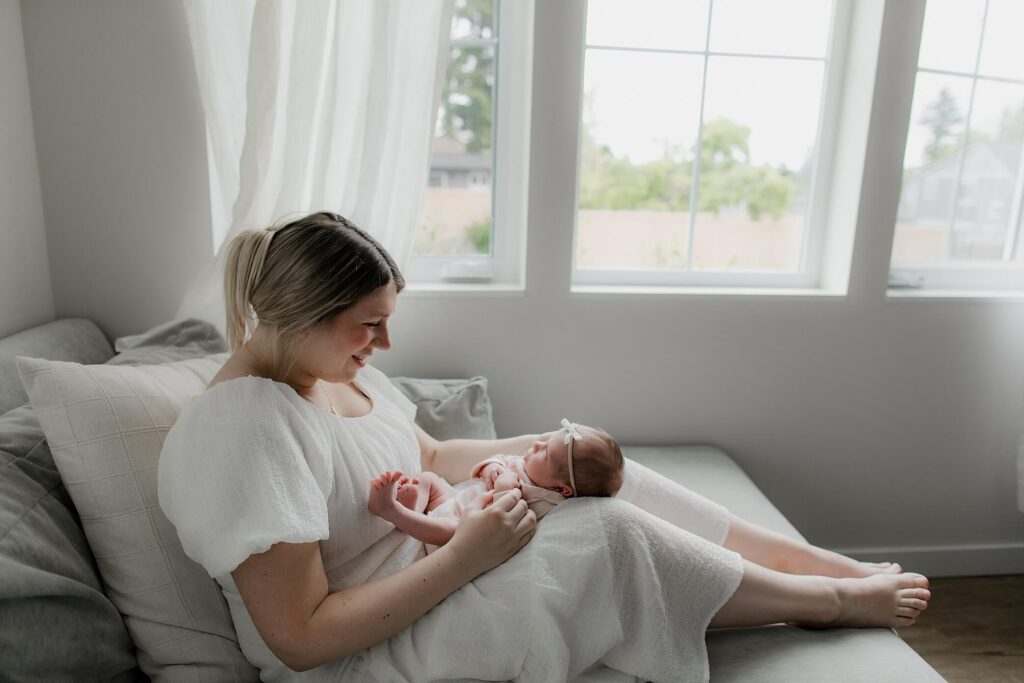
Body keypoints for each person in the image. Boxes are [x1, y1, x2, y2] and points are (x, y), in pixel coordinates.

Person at [157, 212, 931, 683]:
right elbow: (299, 638)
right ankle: (823, 603)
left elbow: (425, 457)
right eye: (368, 322)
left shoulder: (323, 372)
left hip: (438, 569)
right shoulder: (247, 425)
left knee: (599, 470)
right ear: (300, 314)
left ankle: (826, 563)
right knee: (607, 530)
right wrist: (468, 556)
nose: (386, 342)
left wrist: (545, 445)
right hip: (372, 652)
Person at [368, 420, 624, 552]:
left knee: (449, 530)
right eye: (544, 442)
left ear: (563, 489)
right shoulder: (526, 465)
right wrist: (491, 468)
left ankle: (393, 512)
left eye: (544, 454)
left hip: (462, 531)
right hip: (454, 502)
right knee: (430, 479)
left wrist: (504, 489)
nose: (535, 446)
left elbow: (511, 522)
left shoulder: (549, 502)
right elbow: (498, 459)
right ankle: (418, 504)